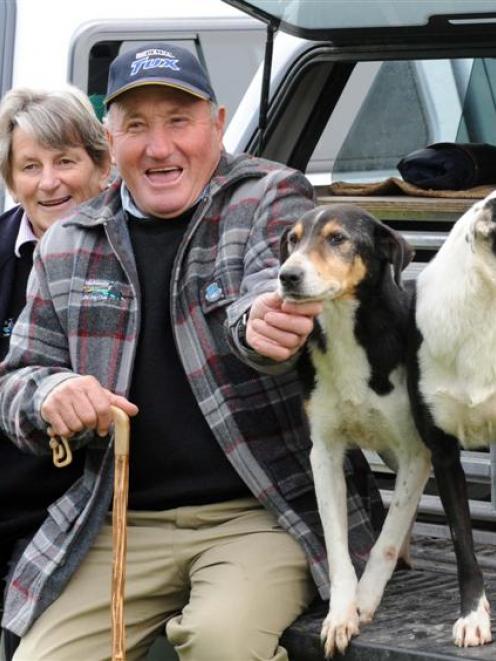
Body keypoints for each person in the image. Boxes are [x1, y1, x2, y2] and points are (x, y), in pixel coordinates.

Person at [0, 44, 381, 660]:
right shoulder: (70, 239)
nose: (159, 147)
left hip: (263, 511)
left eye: (179, 121)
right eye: (137, 126)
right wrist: (51, 395)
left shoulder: (268, 196)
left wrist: (261, 325)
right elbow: (19, 376)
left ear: (218, 123)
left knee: (220, 642)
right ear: (110, 137)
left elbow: (268, 288)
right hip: (118, 518)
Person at [0, 85, 111, 659]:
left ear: (101, 164)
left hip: (75, 502)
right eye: (30, 166)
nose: (50, 182)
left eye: (66, 160)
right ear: (10, 178)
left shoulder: (125, 245)